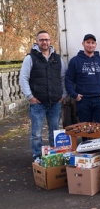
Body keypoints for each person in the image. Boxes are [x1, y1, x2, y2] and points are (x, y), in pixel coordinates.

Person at [20, 30, 67, 161]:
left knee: (54, 132)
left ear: (50, 41)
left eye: (46, 39)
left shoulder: (57, 59)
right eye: (41, 40)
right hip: (38, 103)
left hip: (55, 103)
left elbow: (63, 77)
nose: (44, 42)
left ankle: (55, 156)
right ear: (37, 41)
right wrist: (30, 97)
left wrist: (63, 94)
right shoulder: (30, 58)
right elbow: (23, 79)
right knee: (36, 134)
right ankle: (37, 156)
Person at [65, 34, 100, 125]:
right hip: (83, 101)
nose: (90, 45)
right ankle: (86, 140)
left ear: (96, 45)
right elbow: (69, 79)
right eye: (88, 42)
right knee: (85, 130)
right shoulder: (75, 61)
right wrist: (74, 94)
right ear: (83, 44)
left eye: (93, 43)